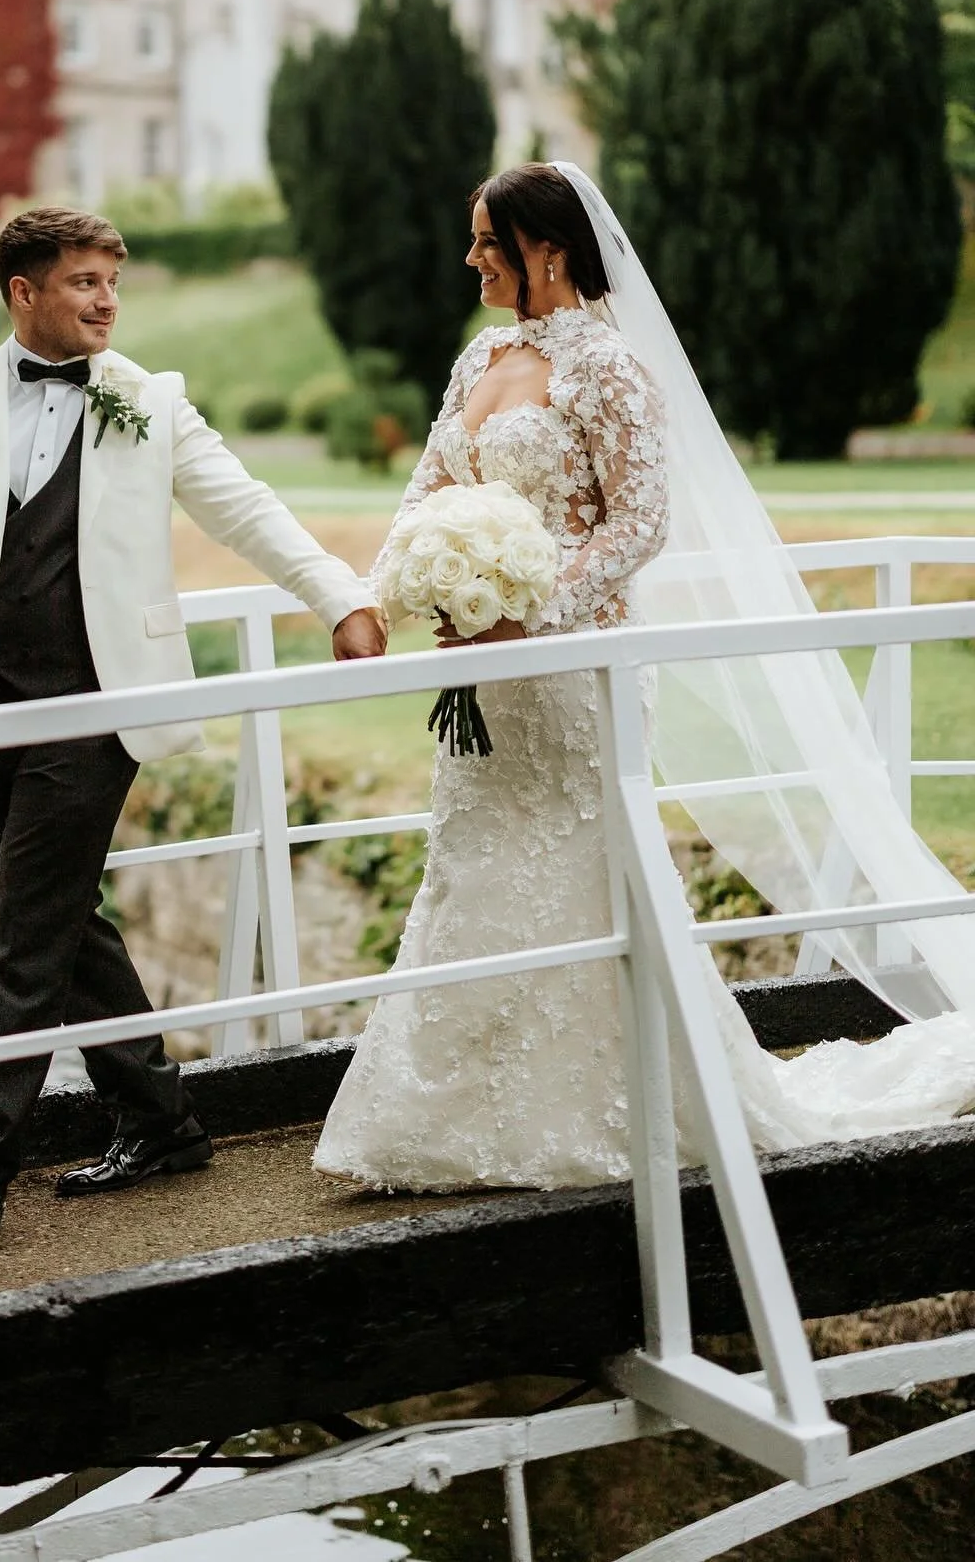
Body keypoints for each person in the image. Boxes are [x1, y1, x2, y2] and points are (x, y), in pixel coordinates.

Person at [314, 163, 975, 1194]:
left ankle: (591, 1106)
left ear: (551, 249)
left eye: (490, 241)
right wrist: (390, 589)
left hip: (578, 673)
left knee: (585, 876)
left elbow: (639, 524)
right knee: (472, 865)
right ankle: (448, 1114)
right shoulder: (481, 358)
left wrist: (532, 612)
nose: (472, 258)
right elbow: (425, 495)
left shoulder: (610, 368)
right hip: (484, 676)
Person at [0, 206, 386, 1242]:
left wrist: (338, 596)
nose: (106, 300)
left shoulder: (149, 399)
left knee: (24, 938)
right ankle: (159, 1118)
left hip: (104, 704)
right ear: (25, 292)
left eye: (111, 282)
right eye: (85, 281)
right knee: (57, 921)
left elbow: (245, 506)